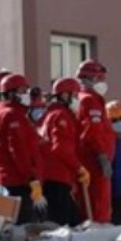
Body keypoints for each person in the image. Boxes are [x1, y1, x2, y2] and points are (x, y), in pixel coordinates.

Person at [0, 73, 47, 224]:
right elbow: (19, 150)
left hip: (3, 180)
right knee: (22, 229)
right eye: (22, 91)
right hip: (16, 183)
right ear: (11, 94)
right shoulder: (13, 115)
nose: (26, 95)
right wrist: (31, 178)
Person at [40, 77, 87, 226]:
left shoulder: (49, 114)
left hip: (53, 177)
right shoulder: (61, 116)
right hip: (57, 178)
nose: (77, 100)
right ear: (65, 95)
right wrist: (79, 168)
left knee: (73, 220)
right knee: (65, 224)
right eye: (75, 95)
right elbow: (61, 148)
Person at [75, 59, 114, 223]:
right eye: (100, 78)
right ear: (90, 78)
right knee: (98, 207)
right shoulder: (90, 100)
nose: (103, 83)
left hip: (89, 160)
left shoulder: (82, 99)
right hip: (93, 162)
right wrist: (102, 156)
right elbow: (93, 130)